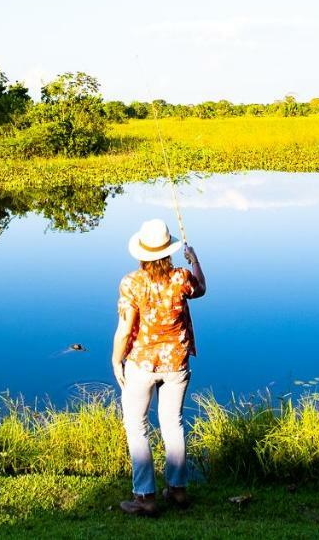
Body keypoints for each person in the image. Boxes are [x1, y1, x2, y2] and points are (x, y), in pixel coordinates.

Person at [112, 217, 207, 517]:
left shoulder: (131, 283)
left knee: (137, 426)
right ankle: (177, 490)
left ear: (141, 253)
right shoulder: (181, 278)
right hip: (176, 362)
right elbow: (201, 287)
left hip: (141, 364)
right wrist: (195, 261)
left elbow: (125, 329)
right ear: (168, 251)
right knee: (172, 423)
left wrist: (116, 360)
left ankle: (145, 497)